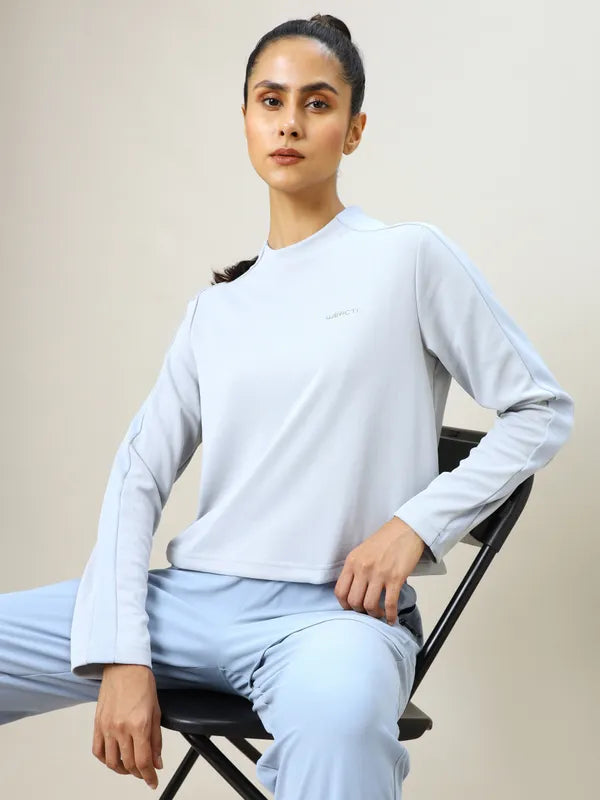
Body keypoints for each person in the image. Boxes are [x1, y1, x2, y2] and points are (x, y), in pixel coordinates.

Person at [0, 13, 574, 799]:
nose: (290, 123)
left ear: (354, 129)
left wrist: (415, 526)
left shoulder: (408, 259)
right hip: (187, 608)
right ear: (245, 118)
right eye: (271, 101)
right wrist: (122, 652)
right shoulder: (215, 311)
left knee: (340, 729)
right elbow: (138, 477)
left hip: (334, 622)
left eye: (318, 103)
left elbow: (540, 409)